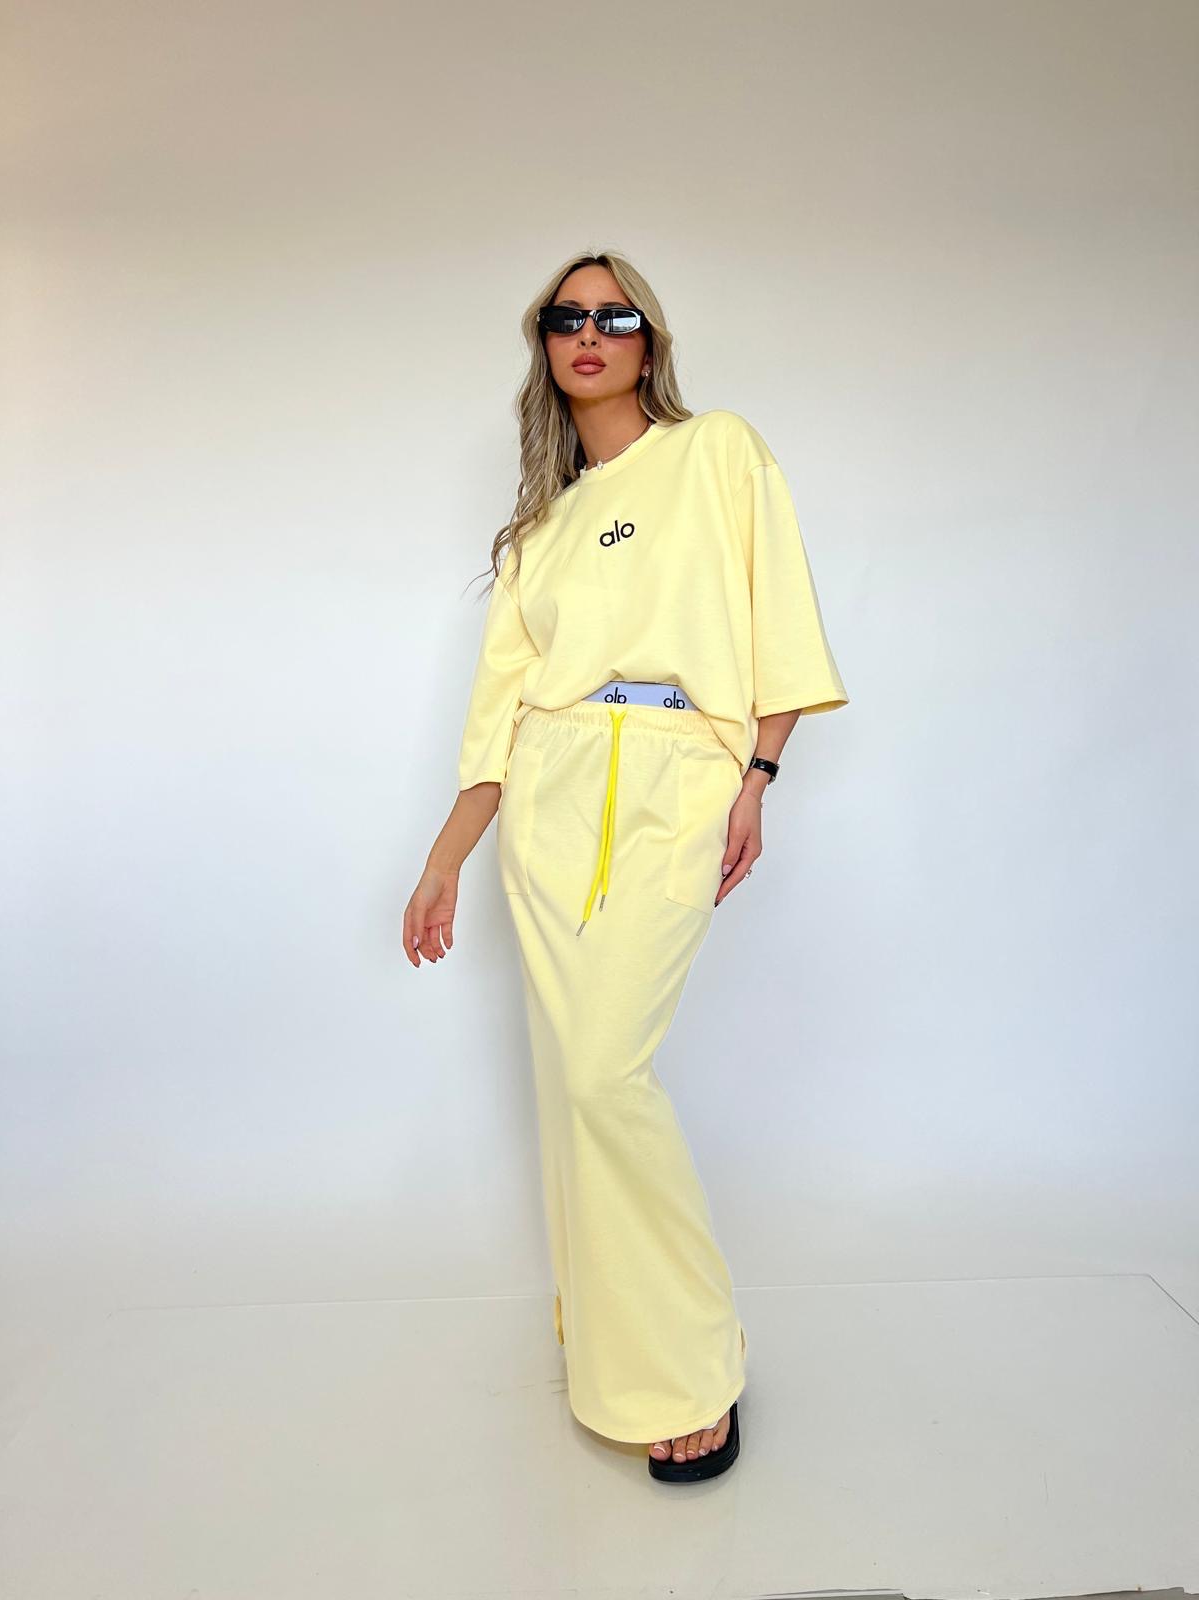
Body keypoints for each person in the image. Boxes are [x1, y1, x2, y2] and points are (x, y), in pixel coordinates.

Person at [404, 249, 849, 1483]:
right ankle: (608, 1342)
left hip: (674, 775)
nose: (590, 331)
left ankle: (694, 1363)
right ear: (546, 345)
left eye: (615, 314)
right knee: (572, 1089)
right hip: (549, 794)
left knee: (607, 1074)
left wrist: (757, 776)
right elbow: (497, 716)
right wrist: (444, 860)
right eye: (567, 317)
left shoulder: (719, 453)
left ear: (649, 339)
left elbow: (779, 622)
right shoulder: (537, 533)